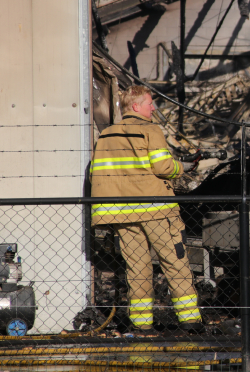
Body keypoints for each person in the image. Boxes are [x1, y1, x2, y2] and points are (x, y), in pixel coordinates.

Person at [90, 85, 203, 335]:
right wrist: (182, 168)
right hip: (157, 211)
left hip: (122, 214)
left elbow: (96, 173)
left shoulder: (107, 135)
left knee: (137, 268)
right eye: (150, 103)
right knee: (175, 262)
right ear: (135, 107)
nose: (153, 108)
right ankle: (191, 322)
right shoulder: (149, 129)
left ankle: (142, 325)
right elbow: (163, 167)